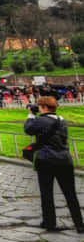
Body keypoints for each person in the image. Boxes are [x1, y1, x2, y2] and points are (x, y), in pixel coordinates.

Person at [24, 96, 84, 232]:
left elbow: (28, 129)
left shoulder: (39, 120)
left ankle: (49, 222)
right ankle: (79, 224)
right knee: (70, 194)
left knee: (47, 193)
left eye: (40, 107)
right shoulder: (61, 120)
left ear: (44, 107)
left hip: (46, 160)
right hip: (64, 160)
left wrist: (31, 114)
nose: (39, 109)